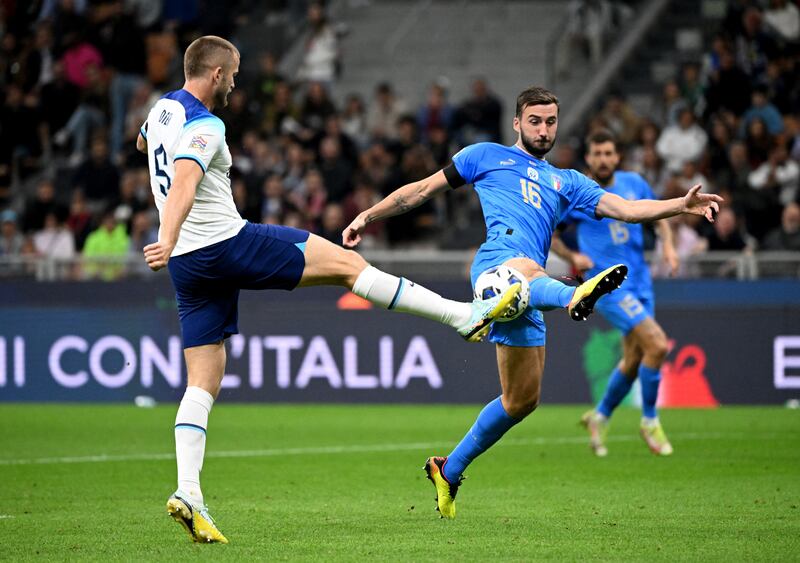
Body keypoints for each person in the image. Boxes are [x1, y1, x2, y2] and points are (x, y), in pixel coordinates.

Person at [136, 36, 519, 544]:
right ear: (214, 75)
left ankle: (189, 492)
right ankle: (462, 317)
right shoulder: (208, 123)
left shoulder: (161, 109)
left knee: (202, 381)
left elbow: (145, 145)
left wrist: (170, 237)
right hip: (223, 243)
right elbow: (185, 176)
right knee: (345, 264)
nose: (235, 81)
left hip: (188, 264)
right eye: (232, 73)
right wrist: (164, 234)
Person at [343, 86, 722, 519]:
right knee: (531, 268)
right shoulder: (483, 155)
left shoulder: (567, 181)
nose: (544, 129)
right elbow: (421, 191)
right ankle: (573, 293)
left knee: (521, 399)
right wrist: (367, 216)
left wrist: (680, 205)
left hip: (523, 288)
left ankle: (449, 469)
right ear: (518, 123)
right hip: (497, 265)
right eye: (535, 121)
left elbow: (627, 209)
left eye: (551, 122)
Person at [551, 130, 679, 457]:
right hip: (607, 285)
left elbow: (660, 216)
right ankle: (649, 421)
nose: (604, 159)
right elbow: (550, 232)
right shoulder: (579, 193)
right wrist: (572, 257)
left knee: (635, 358)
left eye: (609, 153)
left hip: (641, 283)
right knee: (658, 344)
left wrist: (669, 248)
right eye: (598, 153)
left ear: (617, 156)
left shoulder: (634, 183)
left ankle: (600, 416)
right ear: (589, 158)